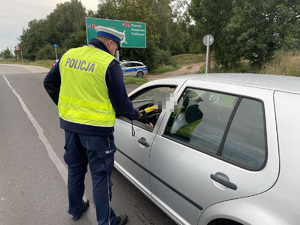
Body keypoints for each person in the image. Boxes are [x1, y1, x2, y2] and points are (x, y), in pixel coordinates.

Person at [43, 25, 142, 225]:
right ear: (110, 43)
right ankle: (106, 222)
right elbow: (122, 104)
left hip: (71, 128)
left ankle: (75, 209)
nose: (116, 51)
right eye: (116, 47)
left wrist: (64, 106)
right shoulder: (108, 63)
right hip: (97, 133)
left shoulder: (69, 55)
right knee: (101, 178)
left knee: (75, 171)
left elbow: (49, 83)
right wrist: (136, 114)